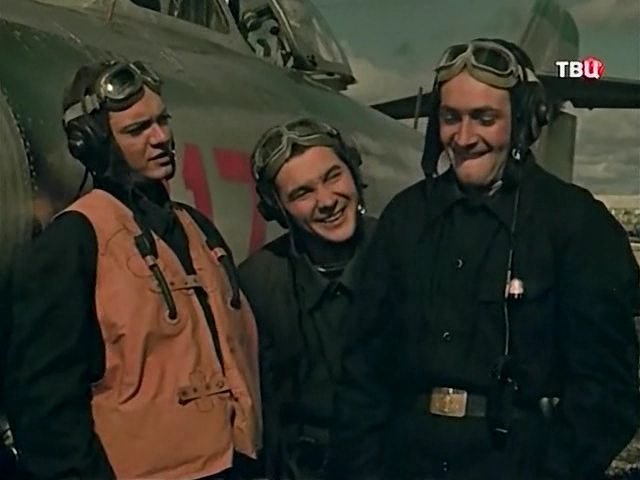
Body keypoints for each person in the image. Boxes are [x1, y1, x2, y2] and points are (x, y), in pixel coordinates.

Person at [327, 39, 640, 480]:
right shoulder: (405, 219)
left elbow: (607, 391)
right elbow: (362, 372)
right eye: (450, 118)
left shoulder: (576, 224)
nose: (464, 138)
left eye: (484, 119)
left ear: (524, 122)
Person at [4, 60, 262, 480]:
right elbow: (45, 404)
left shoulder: (199, 230)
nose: (161, 138)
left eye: (163, 121)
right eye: (138, 129)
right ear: (94, 144)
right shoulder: (73, 243)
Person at [238, 118, 376, 480]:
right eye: (302, 193)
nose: (327, 201)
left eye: (333, 177)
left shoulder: (404, 252)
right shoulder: (257, 285)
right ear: (277, 210)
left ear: (353, 173)